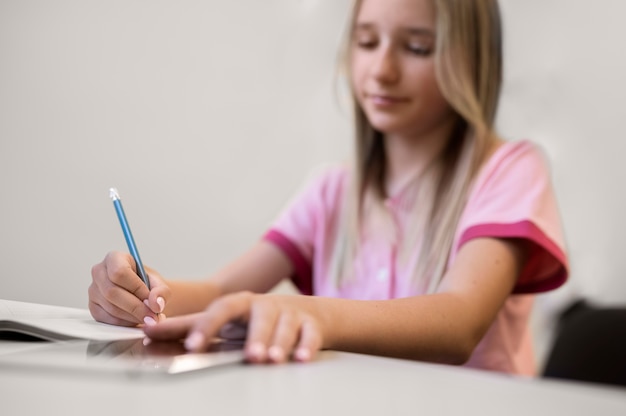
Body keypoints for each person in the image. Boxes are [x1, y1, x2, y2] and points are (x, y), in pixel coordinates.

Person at [89, 0, 568, 375]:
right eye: (366, 42)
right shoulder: (330, 191)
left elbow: (459, 322)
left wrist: (312, 316)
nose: (381, 70)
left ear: (472, 59)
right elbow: (222, 290)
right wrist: (142, 292)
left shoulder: (510, 170)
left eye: (418, 47)